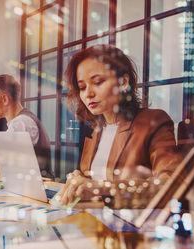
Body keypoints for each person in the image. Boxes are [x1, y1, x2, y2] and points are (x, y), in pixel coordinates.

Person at [57, 45, 181, 205]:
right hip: (95, 221)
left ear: (123, 82)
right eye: (82, 87)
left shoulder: (153, 121)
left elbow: (171, 185)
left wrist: (103, 188)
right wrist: (81, 181)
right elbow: (95, 184)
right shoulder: (96, 130)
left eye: (98, 82)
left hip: (134, 226)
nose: (88, 94)